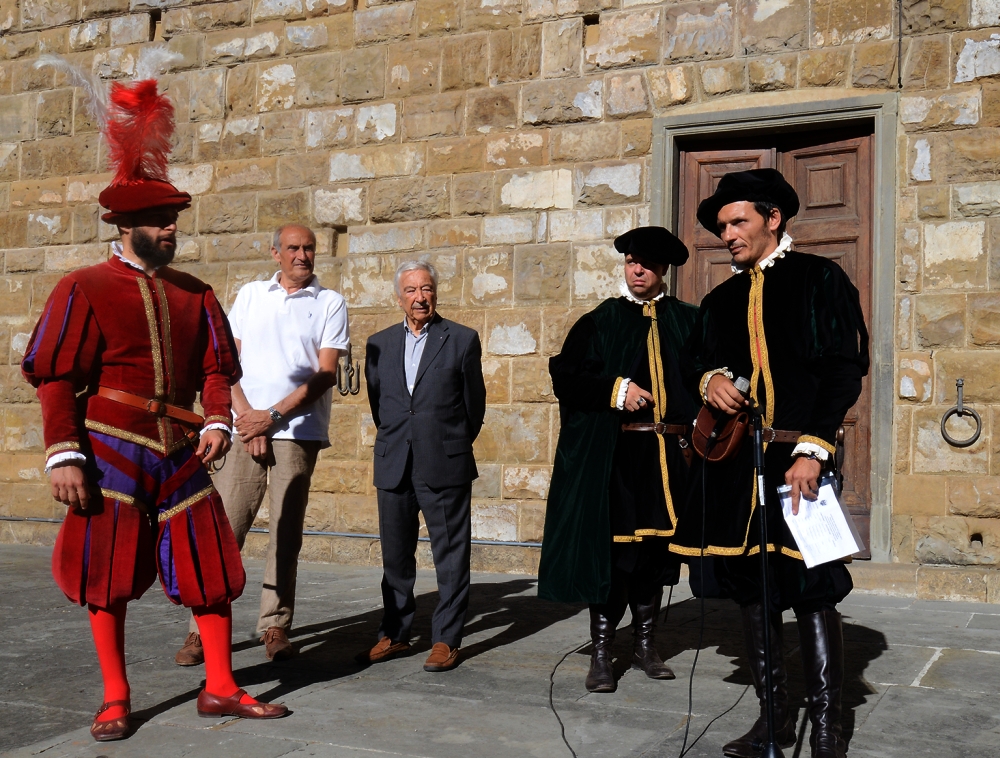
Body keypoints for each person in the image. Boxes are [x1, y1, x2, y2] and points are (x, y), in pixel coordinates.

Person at [21, 79, 286, 742]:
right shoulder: (81, 287)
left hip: (181, 451)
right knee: (103, 570)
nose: (172, 230)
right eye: (161, 220)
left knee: (211, 565)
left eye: (174, 220)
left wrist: (220, 419)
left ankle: (221, 686)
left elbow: (217, 370)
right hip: (109, 445)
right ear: (127, 226)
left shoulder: (197, 295)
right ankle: (116, 696)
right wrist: (63, 453)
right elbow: (56, 377)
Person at [670, 169, 869, 758]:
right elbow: (691, 363)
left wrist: (813, 448)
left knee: (811, 589)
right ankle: (774, 720)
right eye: (722, 225)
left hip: (799, 459)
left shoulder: (818, 279)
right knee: (752, 590)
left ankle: (828, 727)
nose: (726, 234)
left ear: (773, 219)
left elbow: (843, 368)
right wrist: (708, 380)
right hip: (736, 466)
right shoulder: (719, 299)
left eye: (738, 222)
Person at [174, 224, 349, 666]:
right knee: (226, 529)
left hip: (297, 431)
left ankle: (275, 624)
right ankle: (202, 630)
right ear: (276, 253)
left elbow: (326, 373)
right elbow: (224, 362)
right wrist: (247, 420)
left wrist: (272, 418)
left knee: (284, 535)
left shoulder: (330, 302)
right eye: (293, 248)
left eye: (308, 248)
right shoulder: (252, 295)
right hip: (243, 427)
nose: (302, 255)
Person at [538, 227, 700, 693]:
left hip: (670, 460)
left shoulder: (688, 321)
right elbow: (567, 378)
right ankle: (604, 654)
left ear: (663, 269)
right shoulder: (600, 321)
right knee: (616, 557)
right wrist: (616, 389)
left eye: (646, 263)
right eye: (631, 261)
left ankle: (647, 647)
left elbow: (708, 373)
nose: (638, 269)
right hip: (619, 460)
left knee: (655, 558)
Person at [360, 260, 486, 672]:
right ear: (399, 297)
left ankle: (446, 639)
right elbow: (380, 406)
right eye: (412, 290)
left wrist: (447, 443)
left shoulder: (462, 339)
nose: (420, 297)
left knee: (450, 556)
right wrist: (403, 439)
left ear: (436, 293)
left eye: (427, 288)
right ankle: (395, 633)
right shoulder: (378, 344)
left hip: (444, 462)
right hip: (394, 461)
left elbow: (474, 406)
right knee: (395, 557)